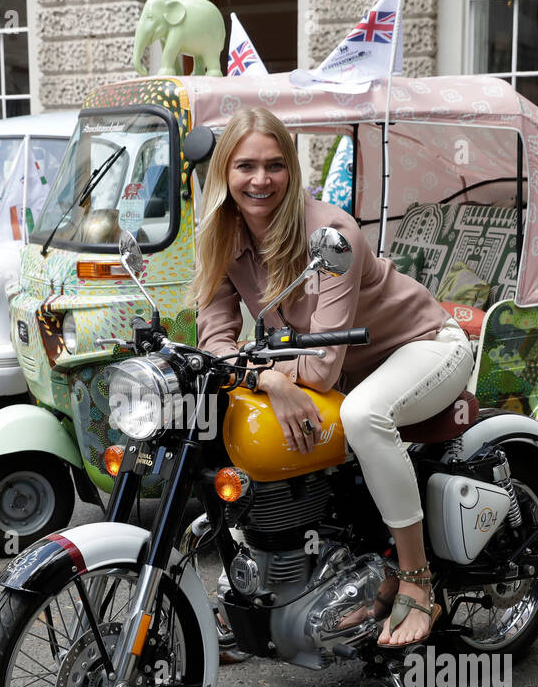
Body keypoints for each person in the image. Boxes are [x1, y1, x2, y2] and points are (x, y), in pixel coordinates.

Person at [194, 107, 474, 647]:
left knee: (363, 415)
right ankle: (274, 577)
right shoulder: (223, 238)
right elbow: (215, 340)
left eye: (275, 165)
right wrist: (267, 379)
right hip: (346, 369)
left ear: (292, 171)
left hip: (422, 347)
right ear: (224, 173)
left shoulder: (331, 237)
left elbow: (321, 368)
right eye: (245, 166)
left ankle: (418, 581)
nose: (260, 180)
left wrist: (269, 375)